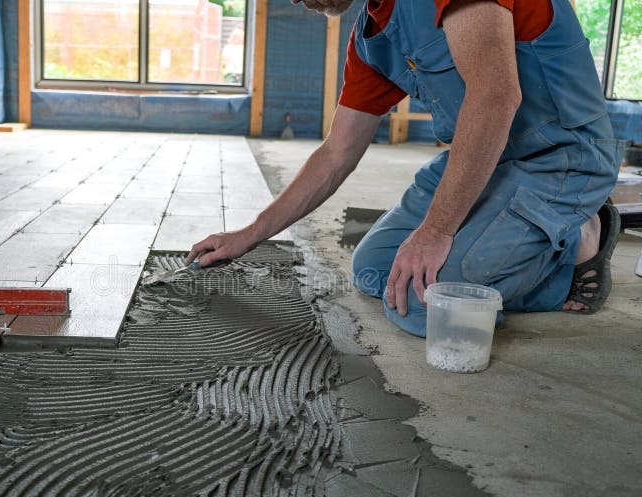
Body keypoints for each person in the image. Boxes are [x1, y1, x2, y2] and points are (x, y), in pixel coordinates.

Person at [187, 0, 624, 337]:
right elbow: (336, 153)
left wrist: (436, 231)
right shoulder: (373, 36)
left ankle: (579, 243)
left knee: (424, 308)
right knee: (375, 270)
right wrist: (250, 233)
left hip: (561, 159)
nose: (297, 2)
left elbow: (495, 97)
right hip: (486, 160)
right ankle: (521, 244)